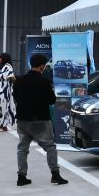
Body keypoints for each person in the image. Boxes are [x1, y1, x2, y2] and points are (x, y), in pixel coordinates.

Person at [12, 53, 68, 187]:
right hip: (41, 120)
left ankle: (21, 177)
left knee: (22, 148)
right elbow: (52, 100)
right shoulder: (45, 81)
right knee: (50, 147)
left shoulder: (19, 80)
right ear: (42, 66)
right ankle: (55, 175)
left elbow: (16, 97)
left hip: (22, 119)